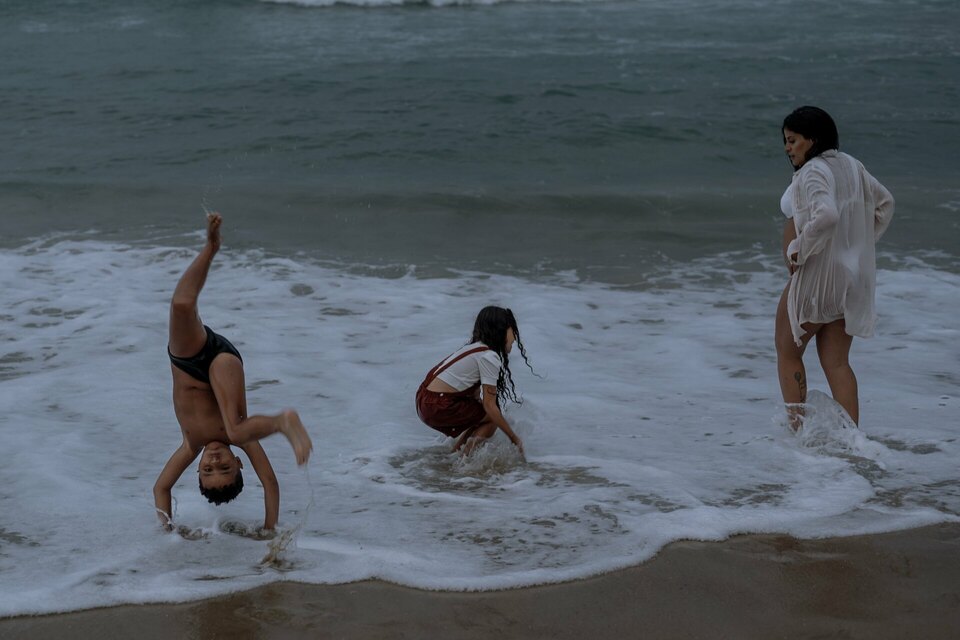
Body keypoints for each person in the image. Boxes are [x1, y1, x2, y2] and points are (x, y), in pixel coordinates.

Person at [153, 213, 313, 532]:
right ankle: (283, 421)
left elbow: (161, 488)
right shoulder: (242, 440)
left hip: (186, 361)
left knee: (182, 306)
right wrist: (270, 531)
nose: (214, 462)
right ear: (238, 463)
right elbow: (270, 483)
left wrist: (166, 530)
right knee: (238, 429)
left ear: (196, 471)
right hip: (221, 362)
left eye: (208, 471)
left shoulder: (189, 444)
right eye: (224, 467)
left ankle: (210, 247)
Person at [775, 106, 895, 430]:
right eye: (785, 141)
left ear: (811, 139)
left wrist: (797, 250)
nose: (787, 148)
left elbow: (826, 216)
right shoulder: (852, 166)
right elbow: (885, 204)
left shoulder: (813, 171)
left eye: (792, 140)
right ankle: (853, 442)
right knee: (837, 363)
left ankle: (797, 433)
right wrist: (858, 245)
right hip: (849, 278)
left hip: (816, 278)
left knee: (787, 352)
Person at [416, 306, 533, 459]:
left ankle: (454, 456)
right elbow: (490, 406)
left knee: (479, 415)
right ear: (501, 330)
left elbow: (463, 385)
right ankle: (463, 459)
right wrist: (514, 439)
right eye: (513, 330)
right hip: (438, 404)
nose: (515, 338)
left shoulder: (474, 348)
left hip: (423, 399)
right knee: (492, 418)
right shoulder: (490, 357)